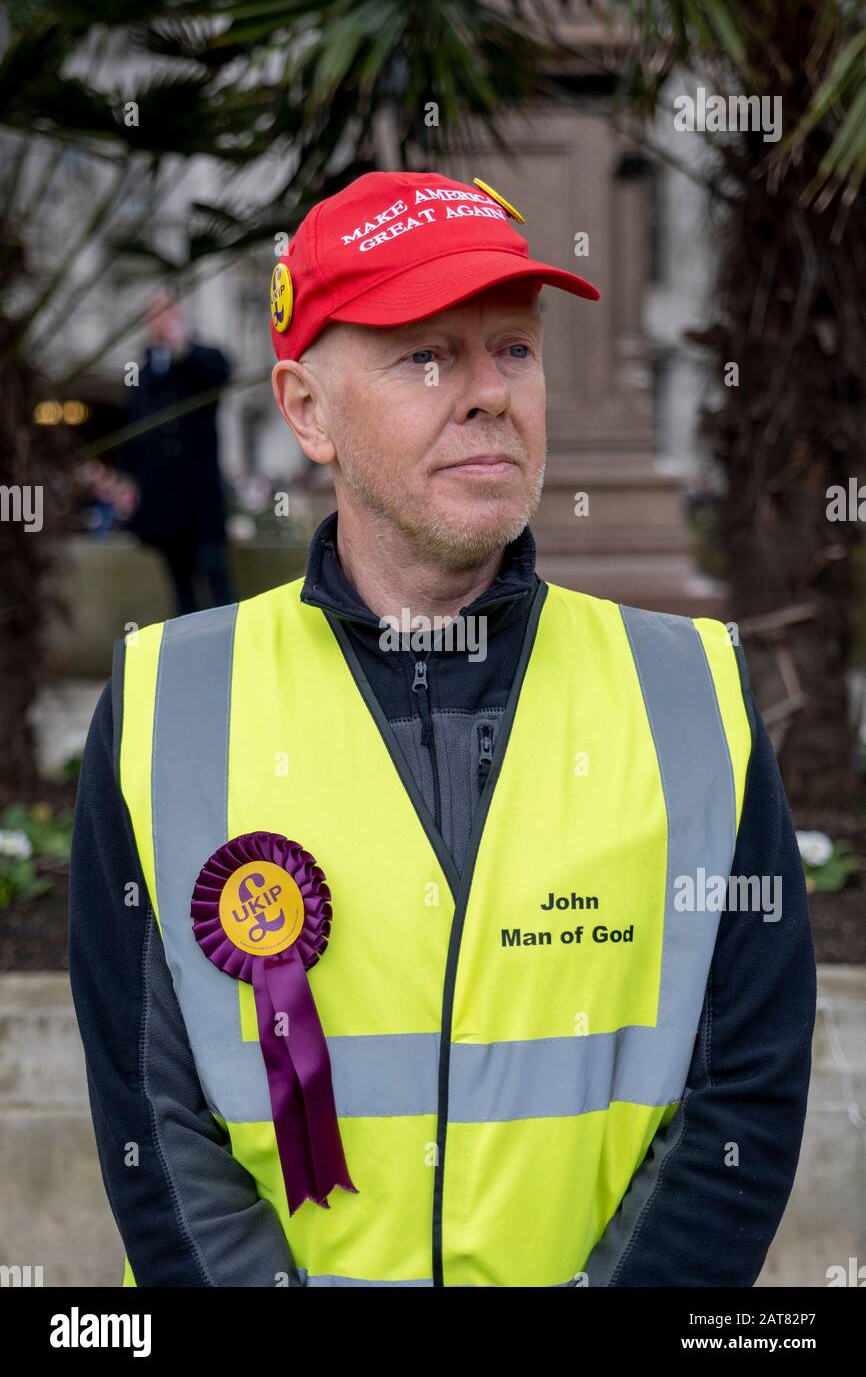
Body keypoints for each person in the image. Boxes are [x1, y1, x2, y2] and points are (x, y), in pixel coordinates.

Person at [69, 170, 816, 1288]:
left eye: (511, 349)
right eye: (425, 356)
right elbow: (153, 1120)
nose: (487, 393)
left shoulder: (692, 693)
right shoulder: (163, 700)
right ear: (306, 409)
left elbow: (741, 1097)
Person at [116, 289, 236, 615]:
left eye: (168, 311)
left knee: (214, 572)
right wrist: (126, 480)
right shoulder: (141, 372)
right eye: (155, 313)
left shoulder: (201, 357)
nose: (162, 319)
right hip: (164, 501)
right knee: (180, 584)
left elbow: (220, 375)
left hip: (200, 497)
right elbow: (134, 429)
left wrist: (180, 346)